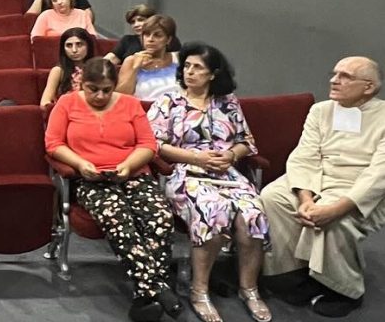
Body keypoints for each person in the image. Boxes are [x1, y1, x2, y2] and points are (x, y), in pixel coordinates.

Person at [45, 58, 179, 321]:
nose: (100, 95)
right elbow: (53, 143)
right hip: (91, 177)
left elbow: (147, 144)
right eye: (93, 88)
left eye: (106, 89)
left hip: (132, 173)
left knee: (160, 218)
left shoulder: (130, 104)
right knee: (118, 219)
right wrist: (80, 163)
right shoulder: (67, 103)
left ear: (115, 86)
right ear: (82, 84)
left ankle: (146, 294)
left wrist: (128, 166)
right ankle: (159, 288)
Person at [148, 43, 271, 322]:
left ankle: (249, 288)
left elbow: (246, 142)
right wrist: (197, 158)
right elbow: (154, 143)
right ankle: (199, 290)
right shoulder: (168, 102)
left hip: (226, 173)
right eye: (187, 67)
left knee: (253, 214)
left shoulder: (228, 102)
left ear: (213, 74)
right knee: (212, 211)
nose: (190, 72)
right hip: (184, 172)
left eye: (198, 68)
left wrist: (230, 154)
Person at [259, 56, 385, 318]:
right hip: (317, 177)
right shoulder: (321, 110)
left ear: (369, 87)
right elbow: (305, 155)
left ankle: (344, 289)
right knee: (272, 197)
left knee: (332, 217)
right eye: (334, 73)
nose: (333, 80)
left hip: (359, 185)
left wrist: (338, 207)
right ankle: (291, 271)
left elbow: (378, 175)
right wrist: (305, 198)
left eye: (345, 76)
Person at [117, 15, 179, 100]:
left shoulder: (178, 59)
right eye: (146, 34)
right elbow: (120, 96)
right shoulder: (131, 61)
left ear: (168, 39)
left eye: (157, 35)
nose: (150, 39)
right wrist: (135, 69)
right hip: (143, 110)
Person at [41, 28, 97, 108]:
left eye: (79, 44)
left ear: (88, 46)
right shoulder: (58, 71)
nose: (74, 50)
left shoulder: (98, 68)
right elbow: (44, 102)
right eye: (69, 45)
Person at [107, 5, 182, 65]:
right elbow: (109, 60)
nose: (136, 25)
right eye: (133, 22)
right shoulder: (127, 40)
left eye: (140, 20)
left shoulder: (172, 41)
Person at [30, 0, 98, 39]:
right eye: (55, 0)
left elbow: (93, 37)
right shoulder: (45, 15)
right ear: (51, 4)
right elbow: (35, 38)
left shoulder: (82, 14)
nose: (59, 2)